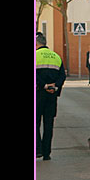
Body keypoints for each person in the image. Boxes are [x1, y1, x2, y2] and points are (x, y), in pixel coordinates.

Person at [36, 32, 66, 161]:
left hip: (38, 93)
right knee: (49, 123)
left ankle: (38, 149)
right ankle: (47, 153)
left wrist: (44, 86)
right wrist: (55, 86)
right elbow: (62, 75)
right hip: (52, 95)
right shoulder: (56, 57)